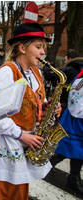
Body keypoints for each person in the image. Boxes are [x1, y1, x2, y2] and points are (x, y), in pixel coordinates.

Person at [0, 23, 62, 200]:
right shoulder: (6, 72)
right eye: (38, 46)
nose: (44, 52)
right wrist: (22, 135)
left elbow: (36, 100)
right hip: (6, 139)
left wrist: (48, 106)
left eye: (43, 47)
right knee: (3, 192)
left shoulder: (36, 72)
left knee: (17, 190)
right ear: (22, 48)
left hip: (24, 139)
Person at [48, 52, 83, 194]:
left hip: (78, 118)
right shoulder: (81, 78)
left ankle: (71, 176)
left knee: (76, 150)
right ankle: (72, 178)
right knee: (75, 149)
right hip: (76, 120)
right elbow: (76, 103)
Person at [43, 50, 82, 120]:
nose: (64, 62)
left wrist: (46, 67)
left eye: (65, 59)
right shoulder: (80, 70)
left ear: (70, 59)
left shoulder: (69, 69)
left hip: (64, 102)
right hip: (77, 106)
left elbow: (49, 75)